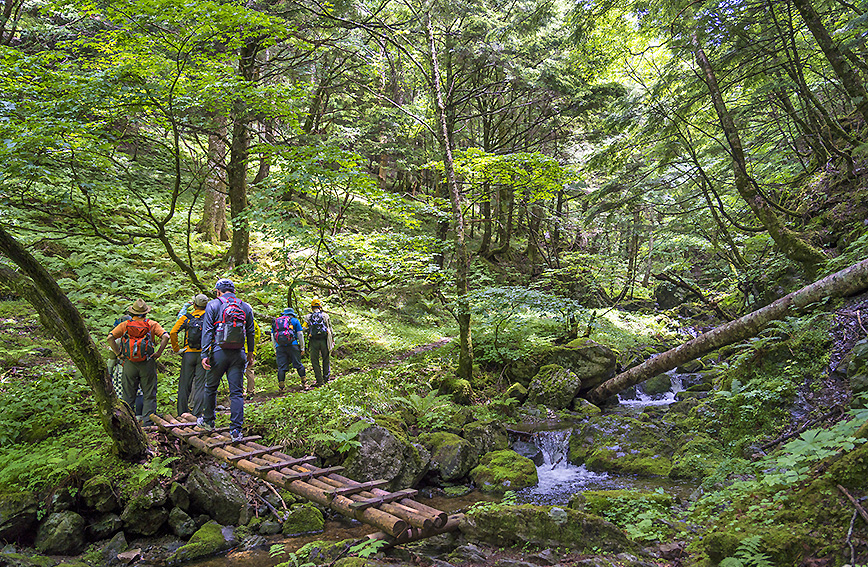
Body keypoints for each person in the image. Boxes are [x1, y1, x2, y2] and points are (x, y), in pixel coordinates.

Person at [199, 278, 255, 442]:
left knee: (211, 387)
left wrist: (204, 354)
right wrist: (250, 354)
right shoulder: (245, 306)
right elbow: (250, 332)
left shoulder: (213, 304)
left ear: (218, 291)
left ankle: (208, 422)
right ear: (234, 291)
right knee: (236, 393)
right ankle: (236, 431)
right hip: (238, 354)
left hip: (218, 352)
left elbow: (208, 331)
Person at [106, 299, 170, 426]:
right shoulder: (151, 324)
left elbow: (110, 338)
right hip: (147, 362)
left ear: (132, 312)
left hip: (129, 363)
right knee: (149, 393)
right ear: (146, 313)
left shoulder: (125, 325)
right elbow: (166, 336)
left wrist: (119, 354)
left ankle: (129, 423)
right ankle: (147, 421)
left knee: (128, 394)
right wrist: (158, 353)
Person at [170, 294, 208, 417]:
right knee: (200, 385)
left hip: (188, 353)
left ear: (194, 304)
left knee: (184, 384)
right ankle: (197, 414)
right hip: (204, 355)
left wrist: (177, 349)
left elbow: (173, 332)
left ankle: (182, 413)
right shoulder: (210, 317)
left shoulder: (187, 317)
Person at [272, 307, 305, 392]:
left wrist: (275, 348)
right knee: (298, 364)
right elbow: (300, 334)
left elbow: (273, 336)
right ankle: (304, 382)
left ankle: (281, 387)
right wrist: (302, 348)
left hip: (280, 346)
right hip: (293, 345)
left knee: (281, 367)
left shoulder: (277, 321)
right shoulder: (295, 320)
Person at [304, 298, 334, 387]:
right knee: (326, 358)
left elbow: (304, 329)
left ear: (312, 307)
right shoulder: (325, 316)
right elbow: (330, 328)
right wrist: (332, 339)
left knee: (315, 360)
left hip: (313, 341)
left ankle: (319, 381)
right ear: (320, 307)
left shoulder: (308, 317)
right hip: (324, 340)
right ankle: (326, 378)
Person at [244, 318, 263, 400]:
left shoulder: (236, 321)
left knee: (238, 370)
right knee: (250, 371)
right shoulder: (253, 322)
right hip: (251, 350)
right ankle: (250, 391)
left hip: (238, 350)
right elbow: (257, 336)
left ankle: (239, 391)